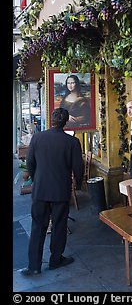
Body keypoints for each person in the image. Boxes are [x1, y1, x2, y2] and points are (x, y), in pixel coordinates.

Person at [20, 108, 85, 276]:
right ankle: (56, 260)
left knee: (37, 226)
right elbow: (79, 167)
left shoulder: (38, 137)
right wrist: (78, 185)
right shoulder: (72, 142)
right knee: (59, 226)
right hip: (60, 190)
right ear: (65, 122)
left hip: (40, 189)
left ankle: (34, 266)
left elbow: (30, 163)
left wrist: (37, 180)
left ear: (51, 120)